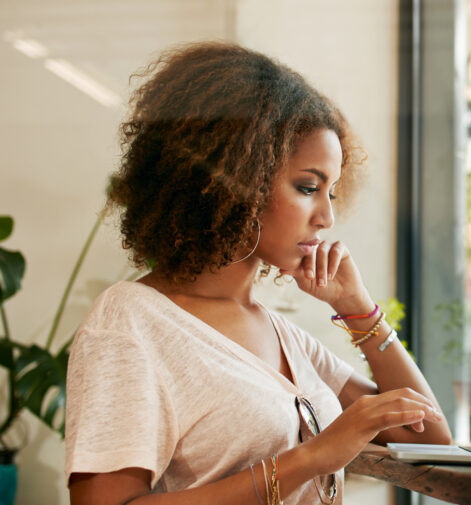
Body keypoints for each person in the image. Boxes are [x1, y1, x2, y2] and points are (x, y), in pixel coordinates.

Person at [64, 41, 451, 505]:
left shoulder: (282, 335)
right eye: (308, 187)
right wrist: (312, 457)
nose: (326, 217)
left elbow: (427, 437)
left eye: (331, 191)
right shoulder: (132, 323)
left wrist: (358, 310)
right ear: (236, 180)